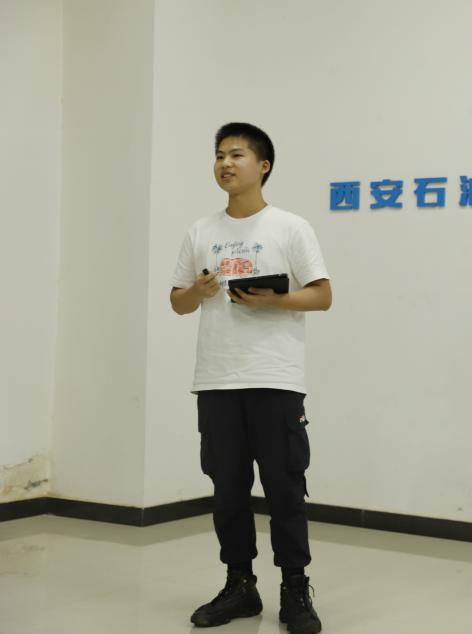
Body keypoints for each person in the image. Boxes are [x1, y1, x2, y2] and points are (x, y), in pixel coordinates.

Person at [170, 122, 331, 634]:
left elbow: (322, 294)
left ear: (263, 166)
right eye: (219, 155)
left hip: (274, 378)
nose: (225, 163)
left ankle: (295, 587)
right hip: (216, 380)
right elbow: (178, 302)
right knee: (227, 491)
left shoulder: (290, 227)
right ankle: (239, 585)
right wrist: (198, 292)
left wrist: (274, 300)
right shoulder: (201, 232)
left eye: (236, 155)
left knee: (285, 489)